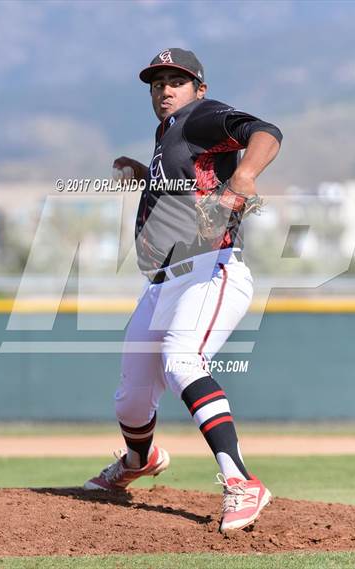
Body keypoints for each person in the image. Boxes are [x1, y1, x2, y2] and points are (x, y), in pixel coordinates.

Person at [84, 48, 282, 532]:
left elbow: (266, 133)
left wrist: (245, 176)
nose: (166, 89)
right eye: (158, 83)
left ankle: (241, 482)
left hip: (212, 270)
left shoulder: (202, 117)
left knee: (182, 359)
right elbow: (186, 188)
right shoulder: (167, 135)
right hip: (163, 282)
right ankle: (139, 460)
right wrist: (143, 174)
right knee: (130, 398)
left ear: (199, 88)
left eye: (177, 80)